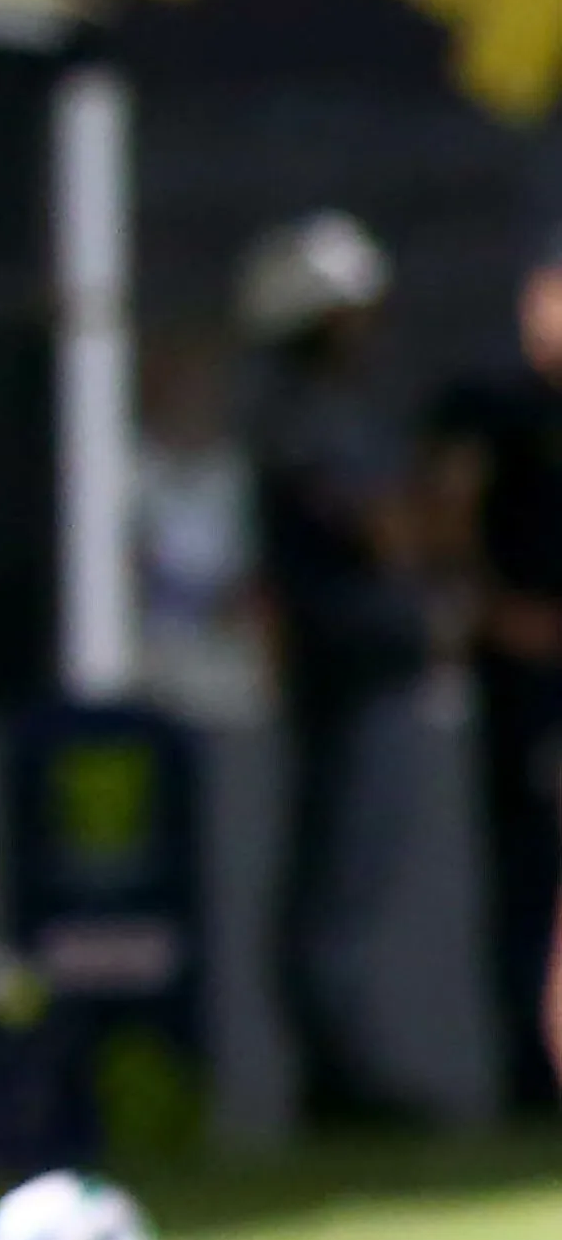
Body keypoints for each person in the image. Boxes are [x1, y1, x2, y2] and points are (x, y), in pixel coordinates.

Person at [241, 210, 433, 1126]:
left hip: (361, 679)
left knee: (343, 885)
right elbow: (386, 530)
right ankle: (342, 1084)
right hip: (348, 682)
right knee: (334, 895)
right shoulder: (305, 419)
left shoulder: (324, 413)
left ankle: (345, 1077)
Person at [429, 245, 562, 1118]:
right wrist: (492, 612)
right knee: (529, 880)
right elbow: (447, 521)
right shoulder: (495, 412)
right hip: (526, 685)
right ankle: (530, 1080)